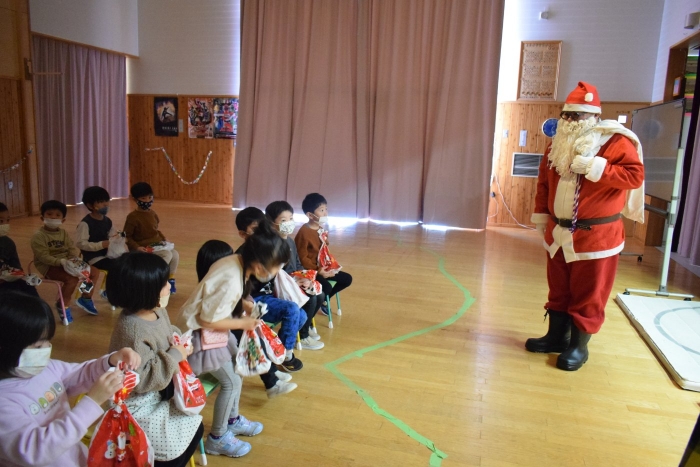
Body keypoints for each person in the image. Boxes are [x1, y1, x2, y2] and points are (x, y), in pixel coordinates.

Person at [527, 81, 645, 371]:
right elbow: (544, 185)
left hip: (596, 236)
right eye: (566, 114)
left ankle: (579, 347)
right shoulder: (556, 144)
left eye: (577, 115)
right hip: (558, 232)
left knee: (589, 293)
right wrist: (542, 217)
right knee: (559, 288)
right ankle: (557, 337)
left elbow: (634, 177)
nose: (570, 120)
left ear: (594, 116)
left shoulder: (616, 142)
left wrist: (596, 167)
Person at [0, 290, 141, 467]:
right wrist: (92, 402)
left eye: (48, 341)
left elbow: (80, 374)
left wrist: (110, 362)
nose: (47, 348)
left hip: (75, 457)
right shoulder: (4, 404)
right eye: (38, 346)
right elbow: (36, 450)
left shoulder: (46, 368)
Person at [107, 252, 203, 466]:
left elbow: (167, 331)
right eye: (164, 284)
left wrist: (179, 340)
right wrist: (175, 354)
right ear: (145, 292)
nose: (169, 286)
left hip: (160, 391)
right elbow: (143, 379)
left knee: (196, 427)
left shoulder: (157, 310)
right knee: (171, 451)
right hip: (138, 403)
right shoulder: (132, 330)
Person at [188, 240, 297, 401]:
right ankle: (271, 380)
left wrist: (247, 307)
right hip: (210, 341)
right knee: (235, 377)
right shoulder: (226, 282)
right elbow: (209, 319)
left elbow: (239, 299)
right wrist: (242, 322)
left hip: (221, 331)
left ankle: (271, 372)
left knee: (255, 337)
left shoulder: (232, 276)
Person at [235, 209, 306, 371]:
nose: (260, 232)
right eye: (255, 229)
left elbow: (282, 271)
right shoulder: (242, 255)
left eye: (262, 227)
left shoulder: (269, 246)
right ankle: (285, 355)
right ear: (243, 233)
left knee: (301, 314)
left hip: (269, 296)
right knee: (292, 309)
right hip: (254, 300)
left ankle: (276, 348)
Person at [266, 200, 325, 350]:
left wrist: (305, 277)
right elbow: (276, 274)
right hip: (283, 285)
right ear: (272, 223)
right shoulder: (271, 245)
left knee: (320, 294)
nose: (289, 223)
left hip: (294, 279)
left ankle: (305, 327)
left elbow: (298, 264)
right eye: (283, 220)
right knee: (311, 299)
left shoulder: (290, 241)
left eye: (291, 218)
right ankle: (303, 336)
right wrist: (294, 281)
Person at [31, 200, 101, 321]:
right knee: (71, 279)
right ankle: (63, 304)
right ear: (42, 217)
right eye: (49, 214)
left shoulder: (63, 233)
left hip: (67, 263)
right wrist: (62, 262)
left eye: (57, 215)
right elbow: (43, 256)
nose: (53, 217)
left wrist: (74, 259)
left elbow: (71, 248)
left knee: (94, 272)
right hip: (49, 266)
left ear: (63, 220)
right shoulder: (39, 236)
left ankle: (85, 297)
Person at [295, 193, 353, 315]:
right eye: (321, 210)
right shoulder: (304, 233)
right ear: (310, 215)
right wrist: (318, 270)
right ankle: (313, 306)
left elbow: (324, 249)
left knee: (347, 279)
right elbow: (302, 258)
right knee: (326, 287)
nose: (326, 213)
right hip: (311, 270)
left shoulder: (320, 228)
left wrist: (329, 265)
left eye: (326, 209)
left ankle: (324, 301)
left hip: (322, 267)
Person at [123, 182, 179, 293]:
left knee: (175, 254)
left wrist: (164, 238)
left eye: (150, 197)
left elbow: (155, 230)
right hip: (143, 248)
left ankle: (170, 280)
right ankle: (156, 279)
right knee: (167, 255)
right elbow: (126, 236)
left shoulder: (152, 214)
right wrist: (137, 247)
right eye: (143, 198)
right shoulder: (132, 217)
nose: (147, 201)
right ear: (135, 199)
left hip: (156, 245)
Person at [76, 186, 117, 286]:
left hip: (107, 255)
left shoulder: (107, 221)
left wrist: (118, 238)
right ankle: (110, 289)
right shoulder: (85, 223)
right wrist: (101, 245)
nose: (106, 204)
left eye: (107, 200)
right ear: (90, 205)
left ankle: (111, 289)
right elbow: (81, 244)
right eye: (101, 202)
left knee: (125, 263)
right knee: (116, 267)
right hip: (93, 258)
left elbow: (112, 236)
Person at [0, 202, 39, 296]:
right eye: (1, 221)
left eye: (7, 220)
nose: (5, 224)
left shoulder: (7, 242)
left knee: (28, 286)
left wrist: (17, 274)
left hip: (7, 282)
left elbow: (16, 267)